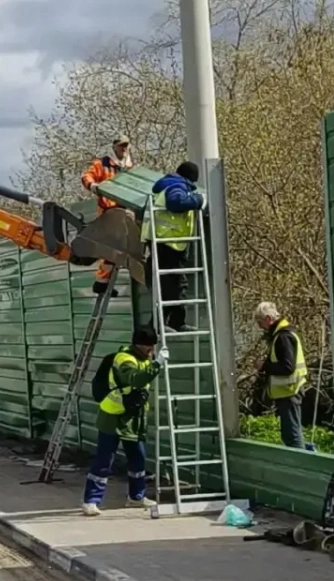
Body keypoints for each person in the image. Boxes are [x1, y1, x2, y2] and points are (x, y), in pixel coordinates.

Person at [82, 327, 167, 516]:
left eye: (152, 348)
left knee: (138, 458)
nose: (151, 352)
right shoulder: (124, 360)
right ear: (138, 345)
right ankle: (91, 501)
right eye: (148, 348)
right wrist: (157, 365)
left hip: (132, 418)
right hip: (113, 416)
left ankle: (136, 497)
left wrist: (153, 363)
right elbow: (135, 380)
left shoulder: (143, 358)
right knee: (105, 459)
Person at [148, 161, 204, 332]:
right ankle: (169, 323)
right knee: (176, 286)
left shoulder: (168, 185)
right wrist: (198, 199)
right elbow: (176, 203)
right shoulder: (176, 186)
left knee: (171, 286)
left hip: (166, 243)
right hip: (168, 244)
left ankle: (166, 322)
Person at [81, 134, 135, 296]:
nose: (124, 148)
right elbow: (86, 176)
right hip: (109, 210)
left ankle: (103, 281)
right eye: (121, 146)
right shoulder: (103, 164)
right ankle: (102, 281)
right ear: (114, 147)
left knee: (117, 249)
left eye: (126, 145)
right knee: (111, 248)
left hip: (125, 210)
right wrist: (93, 186)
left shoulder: (130, 165)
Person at [254, 302, 308, 449]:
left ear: (268, 318)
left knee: (292, 436)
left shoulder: (283, 337)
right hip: (288, 391)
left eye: (259, 322)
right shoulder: (283, 334)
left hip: (290, 392)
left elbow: (287, 367)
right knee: (289, 434)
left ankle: (299, 465)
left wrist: (264, 366)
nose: (259, 327)